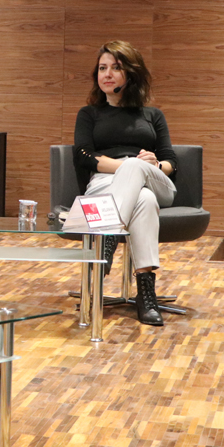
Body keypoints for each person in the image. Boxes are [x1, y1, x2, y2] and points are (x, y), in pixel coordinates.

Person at [73, 40, 178, 326]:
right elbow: (83, 156)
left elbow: (171, 161)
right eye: (102, 68)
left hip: (155, 180)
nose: (107, 74)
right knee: (143, 200)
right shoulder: (89, 114)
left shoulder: (152, 115)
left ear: (130, 74)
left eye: (115, 68)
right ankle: (146, 294)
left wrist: (152, 166)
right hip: (105, 184)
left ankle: (108, 237)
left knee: (143, 182)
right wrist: (129, 167)